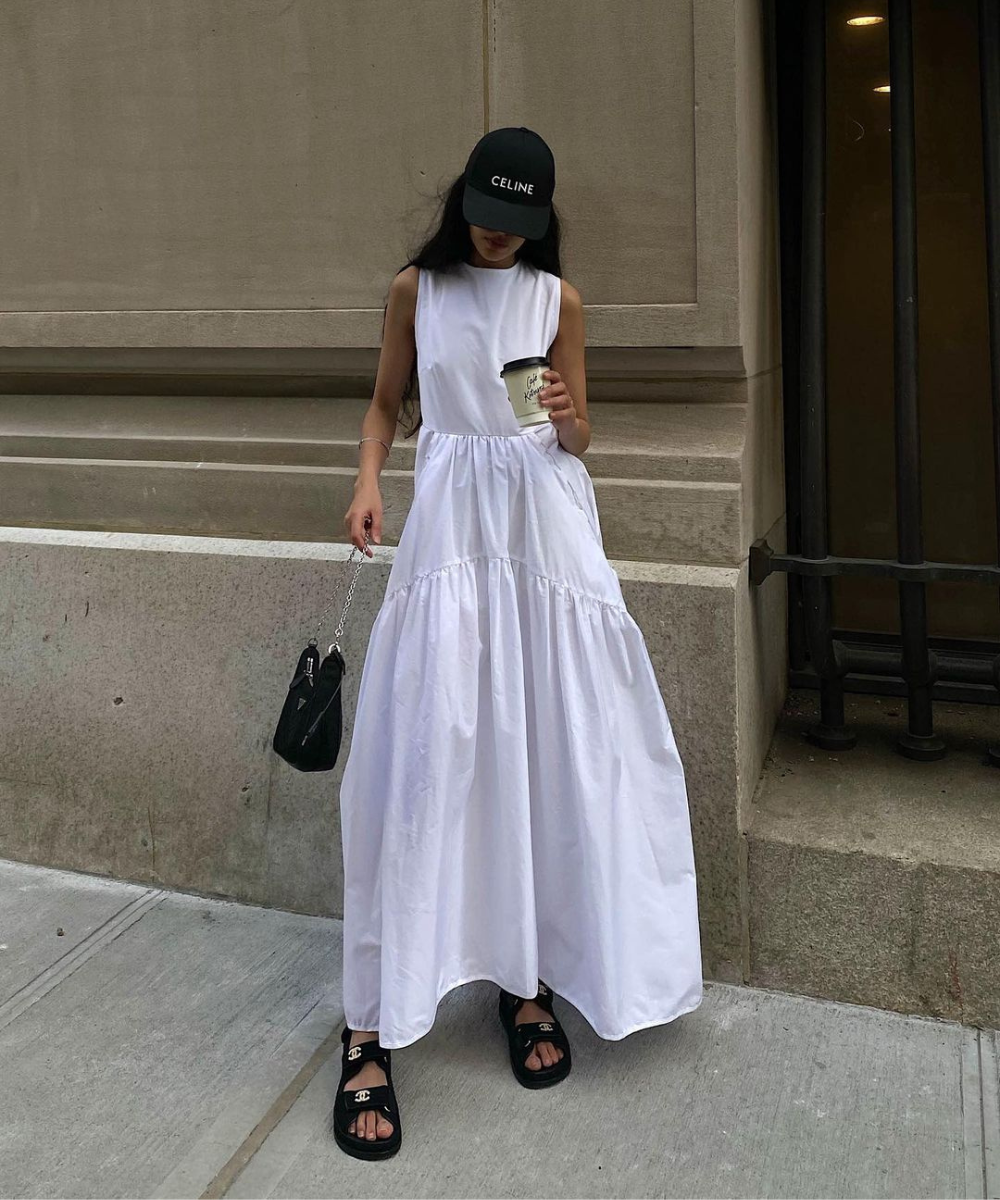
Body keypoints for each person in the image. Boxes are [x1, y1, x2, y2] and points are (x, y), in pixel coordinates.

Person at [332, 127, 703, 1159]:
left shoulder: (558, 301)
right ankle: (369, 1021)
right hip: (454, 536)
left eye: (519, 223)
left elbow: (577, 440)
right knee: (426, 754)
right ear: (463, 203)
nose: (501, 237)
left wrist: (570, 413)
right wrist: (367, 482)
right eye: (489, 217)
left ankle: (525, 979)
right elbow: (383, 404)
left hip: (545, 537)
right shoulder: (419, 288)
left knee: (553, 750)